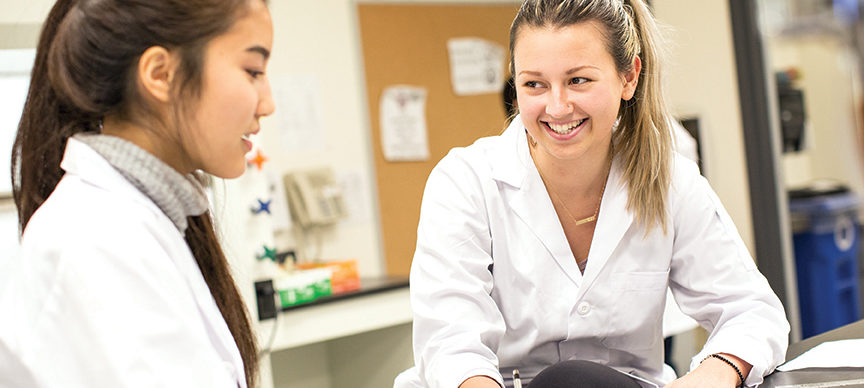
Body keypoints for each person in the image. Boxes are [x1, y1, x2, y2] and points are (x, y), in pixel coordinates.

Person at [395, 0, 789, 387]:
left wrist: (711, 376)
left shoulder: (669, 181)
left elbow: (751, 312)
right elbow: (451, 344)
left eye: (578, 80)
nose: (557, 106)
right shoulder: (466, 182)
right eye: (534, 84)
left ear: (629, 77)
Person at [0, 0, 274, 387]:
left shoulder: (143, 222)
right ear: (161, 74)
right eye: (253, 71)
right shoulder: (91, 239)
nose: (268, 103)